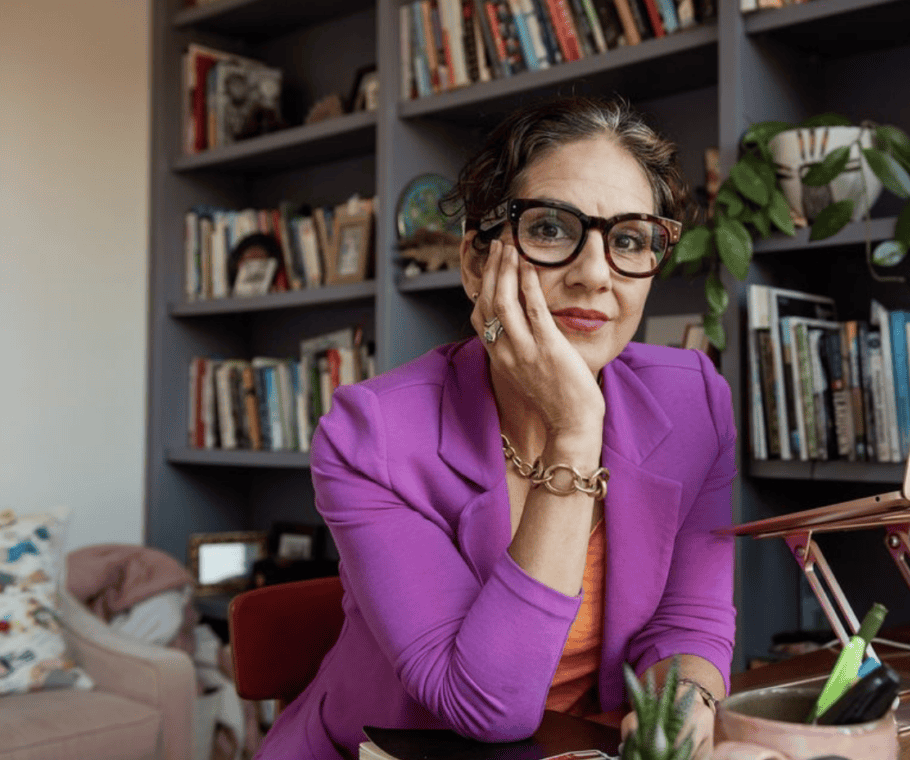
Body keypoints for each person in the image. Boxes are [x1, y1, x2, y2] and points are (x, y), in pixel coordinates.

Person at [254, 96, 737, 760]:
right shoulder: (372, 435)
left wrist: (682, 705)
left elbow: (689, 622)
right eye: (550, 228)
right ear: (478, 264)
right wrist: (574, 430)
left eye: (628, 239)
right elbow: (484, 706)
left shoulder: (695, 403)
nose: (595, 273)